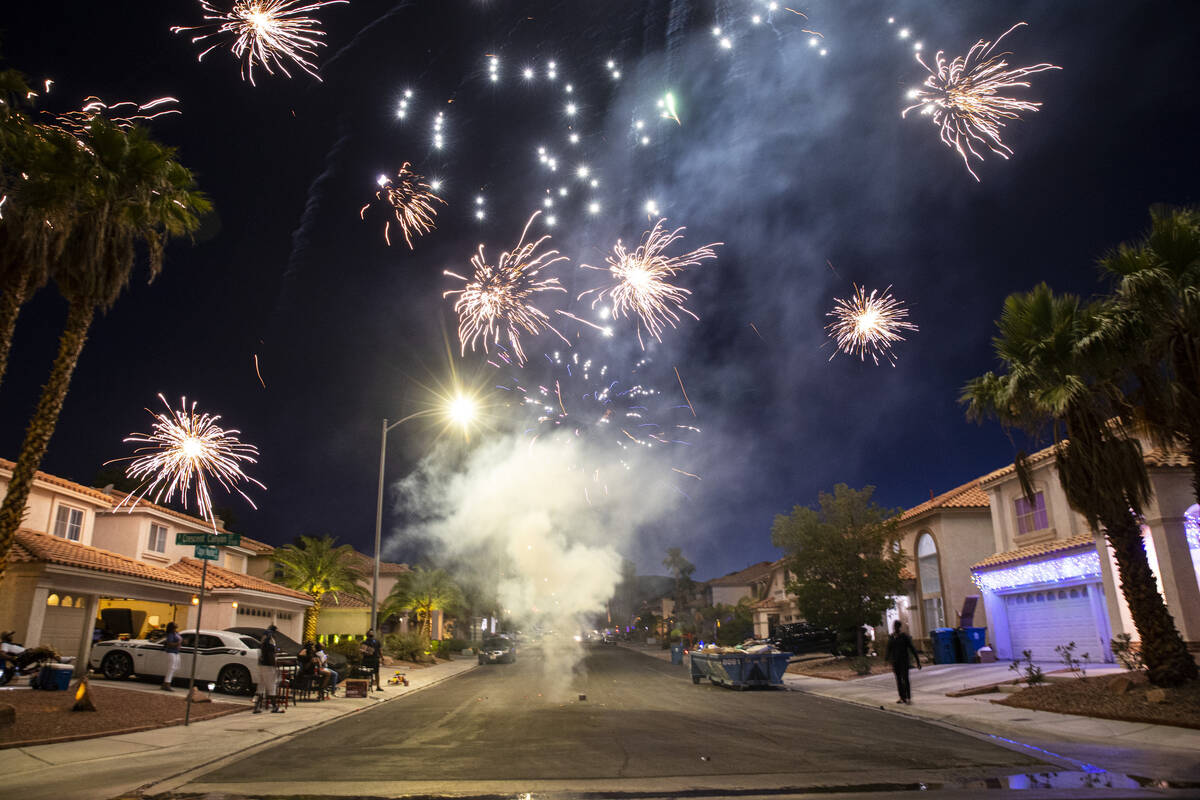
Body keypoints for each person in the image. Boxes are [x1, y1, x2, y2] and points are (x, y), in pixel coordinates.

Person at [884, 620, 921, 704]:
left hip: (904, 661)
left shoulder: (904, 637)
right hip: (895, 661)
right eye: (894, 626)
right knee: (899, 680)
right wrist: (886, 659)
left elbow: (912, 649)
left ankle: (908, 698)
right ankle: (901, 697)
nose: (895, 627)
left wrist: (918, 661)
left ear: (899, 627)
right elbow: (888, 649)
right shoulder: (892, 637)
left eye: (897, 626)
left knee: (905, 679)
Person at [254, 625, 283, 714]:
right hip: (268, 666)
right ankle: (275, 707)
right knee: (271, 687)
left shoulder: (263, 638)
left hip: (261, 665)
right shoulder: (271, 640)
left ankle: (256, 707)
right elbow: (270, 654)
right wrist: (275, 664)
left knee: (261, 687)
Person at [161, 621, 182, 691]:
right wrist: (178, 643)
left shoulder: (176, 633)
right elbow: (169, 643)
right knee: (171, 668)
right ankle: (167, 684)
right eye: (174, 624)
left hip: (176, 652)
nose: (176, 624)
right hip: (171, 652)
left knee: (175, 667)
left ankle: (165, 683)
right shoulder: (170, 634)